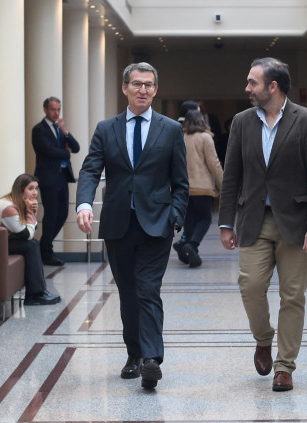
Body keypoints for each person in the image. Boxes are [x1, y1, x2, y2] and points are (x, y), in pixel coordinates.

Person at [218, 58, 307, 392]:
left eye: (253, 83)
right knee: (250, 285)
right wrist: (225, 222)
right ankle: (264, 338)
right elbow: (232, 175)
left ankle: (285, 366)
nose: (247, 88)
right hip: (253, 220)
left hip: (295, 224)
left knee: (293, 295)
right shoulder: (241, 123)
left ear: (273, 87)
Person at [76, 62, 188, 390]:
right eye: (136, 84)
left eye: (149, 85)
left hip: (157, 225)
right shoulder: (106, 129)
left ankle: (152, 359)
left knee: (148, 290)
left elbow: (181, 182)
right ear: (124, 88)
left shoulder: (170, 130)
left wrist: (176, 215)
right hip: (118, 225)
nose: (142, 90)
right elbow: (89, 169)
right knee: (128, 294)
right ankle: (134, 353)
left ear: (155, 89)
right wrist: (84, 203)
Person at [0, 174, 61, 305]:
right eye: (30, 188)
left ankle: (38, 292)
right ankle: (35, 294)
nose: (35, 193)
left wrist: (31, 214)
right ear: (21, 190)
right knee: (31, 245)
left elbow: (28, 232)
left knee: (32, 244)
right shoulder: (9, 208)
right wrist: (32, 214)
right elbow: (27, 234)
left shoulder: (17, 203)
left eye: (36, 188)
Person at [32, 96, 80, 266]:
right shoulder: (39, 129)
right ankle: (46, 252)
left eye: (58, 109)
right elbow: (47, 151)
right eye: (53, 109)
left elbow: (76, 147)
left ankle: (42, 247)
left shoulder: (60, 129)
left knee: (63, 214)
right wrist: (65, 152)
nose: (56, 113)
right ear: (45, 110)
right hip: (48, 178)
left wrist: (65, 131)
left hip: (62, 177)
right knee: (51, 215)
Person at [177, 109, 223, 267]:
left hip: (185, 188)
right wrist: (223, 184)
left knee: (189, 219)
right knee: (205, 219)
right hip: (203, 188)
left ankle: (187, 249)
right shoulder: (205, 137)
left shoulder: (181, 138)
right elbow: (214, 163)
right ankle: (193, 245)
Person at [172, 100, 201, 264]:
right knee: (201, 217)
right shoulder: (187, 131)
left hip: (180, 181)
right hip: (192, 181)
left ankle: (184, 242)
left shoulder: (175, 127)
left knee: (188, 215)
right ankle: (187, 243)